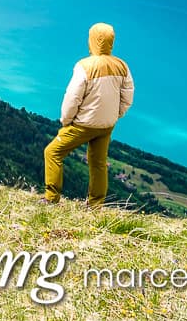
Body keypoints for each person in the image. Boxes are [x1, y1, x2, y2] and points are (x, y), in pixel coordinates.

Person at [43, 22, 135, 207]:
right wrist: (116, 116)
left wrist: (66, 120)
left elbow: (72, 97)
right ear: (111, 41)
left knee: (52, 152)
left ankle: (51, 198)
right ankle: (95, 205)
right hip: (106, 126)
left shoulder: (84, 66)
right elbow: (127, 96)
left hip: (83, 125)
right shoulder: (122, 66)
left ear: (91, 40)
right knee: (99, 163)